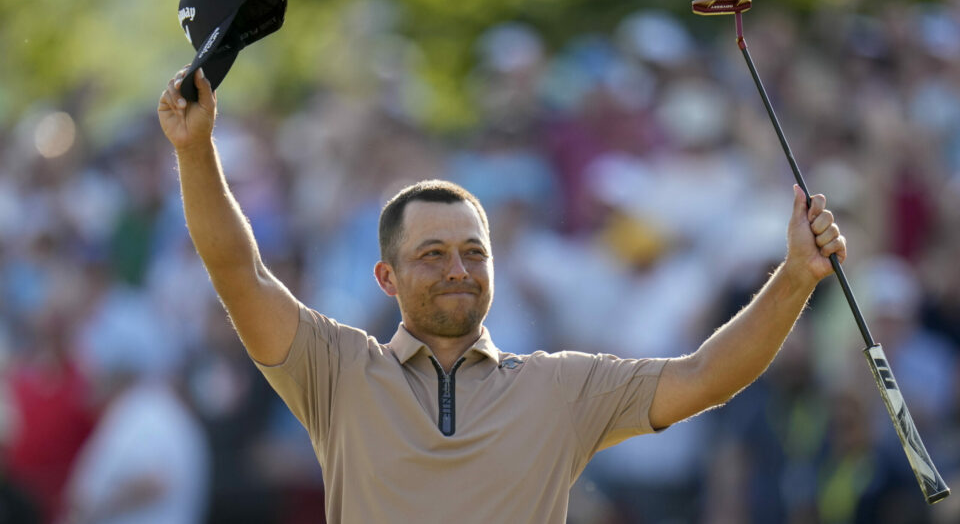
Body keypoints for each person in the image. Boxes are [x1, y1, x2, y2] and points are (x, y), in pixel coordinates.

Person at [158, 67, 847, 523]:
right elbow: (239, 271)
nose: (458, 268)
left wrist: (793, 278)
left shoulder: (560, 387)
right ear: (387, 278)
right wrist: (195, 150)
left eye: (473, 251)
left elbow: (704, 375)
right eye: (431, 254)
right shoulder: (336, 371)